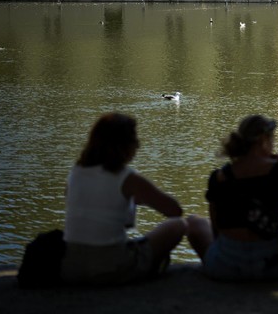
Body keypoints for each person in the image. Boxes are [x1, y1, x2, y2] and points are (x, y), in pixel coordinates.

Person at [187, 115, 278, 281]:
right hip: (274, 267)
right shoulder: (277, 170)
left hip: (225, 267)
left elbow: (217, 230)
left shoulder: (219, 177)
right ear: (264, 140)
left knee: (194, 222)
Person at [61, 113, 188, 285]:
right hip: (111, 268)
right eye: (134, 139)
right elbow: (175, 211)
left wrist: (127, 201)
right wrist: (141, 197)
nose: (138, 144)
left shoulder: (75, 172)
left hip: (70, 267)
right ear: (125, 145)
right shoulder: (127, 177)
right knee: (178, 225)